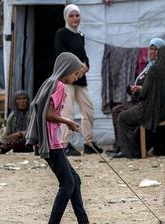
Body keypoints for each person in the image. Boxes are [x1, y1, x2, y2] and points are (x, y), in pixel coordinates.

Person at [25, 52, 108, 224]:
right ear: (67, 70)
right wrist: (67, 122)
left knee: (74, 180)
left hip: (50, 140)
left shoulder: (50, 82)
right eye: (76, 73)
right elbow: (48, 113)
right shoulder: (59, 85)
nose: (77, 77)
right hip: (52, 143)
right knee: (67, 184)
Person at [54, 4, 103, 156]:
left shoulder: (80, 35)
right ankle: (65, 144)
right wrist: (78, 65)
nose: (75, 19)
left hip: (80, 79)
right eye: (71, 16)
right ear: (66, 17)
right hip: (67, 79)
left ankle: (88, 143)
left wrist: (86, 65)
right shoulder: (61, 33)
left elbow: (84, 55)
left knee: (88, 110)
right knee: (67, 112)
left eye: (77, 15)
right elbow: (62, 54)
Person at [115, 45, 165, 158]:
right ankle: (138, 147)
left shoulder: (154, 69)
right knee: (130, 114)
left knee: (122, 117)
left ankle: (131, 151)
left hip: (150, 111)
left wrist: (138, 90)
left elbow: (144, 93)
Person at [107, 38, 165, 154]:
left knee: (119, 111)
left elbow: (157, 90)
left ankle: (126, 147)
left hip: (148, 105)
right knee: (116, 109)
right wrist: (133, 89)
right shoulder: (149, 66)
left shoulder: (159, 68)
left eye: (156, 49)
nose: (152, 52)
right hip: (140, 101)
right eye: (151, 49)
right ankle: (121, 145)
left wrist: (140, 89)